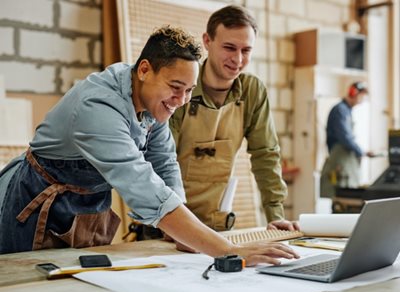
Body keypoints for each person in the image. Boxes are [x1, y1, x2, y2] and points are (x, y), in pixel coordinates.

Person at [0, 25, 299, 266]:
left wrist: (183, 233)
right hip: (38, 205)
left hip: (86, 207)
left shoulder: (150, 102)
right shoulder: (99, 106)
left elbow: (165, 161)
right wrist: (229, 250)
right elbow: (143, 186)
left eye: (189, 91)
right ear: (145, 70)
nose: (181, 101)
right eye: (175, 88)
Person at [169, 5, 298, 232]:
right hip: (167, 223)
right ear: (207, 41)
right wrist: (174, 225)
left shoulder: (252, 91)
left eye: (246, 50)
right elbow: (161, 159)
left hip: (215, 226)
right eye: (229, 47)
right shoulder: (181, 85)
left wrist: (275, 215)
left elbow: (265, 155)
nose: (237, 59)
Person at [320, 81, 373, 198]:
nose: (363, 99)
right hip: (339, 160)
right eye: (362, 95)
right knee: (339, 195)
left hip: (344, 158)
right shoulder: (340, 110)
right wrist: (361, 151)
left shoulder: (347, 111)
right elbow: (345, 137)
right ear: (354, 93)